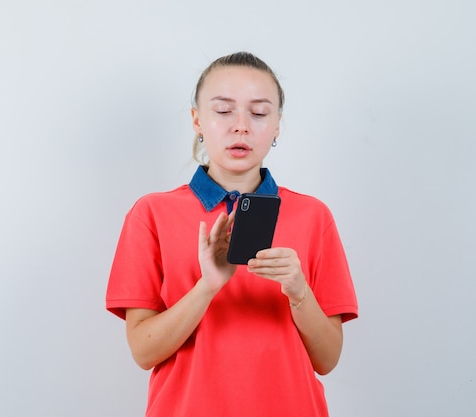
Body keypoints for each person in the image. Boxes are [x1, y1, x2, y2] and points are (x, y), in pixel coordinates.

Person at [106, 51, 358, 417]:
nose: (241, 126)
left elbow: (328, 358)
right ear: (197, 120)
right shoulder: (151, 214)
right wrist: (207, 287)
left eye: (258, 113)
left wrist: (299, 292)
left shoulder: (313, 216)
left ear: (276, 126)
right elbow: (143, 352)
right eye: (223, 111)